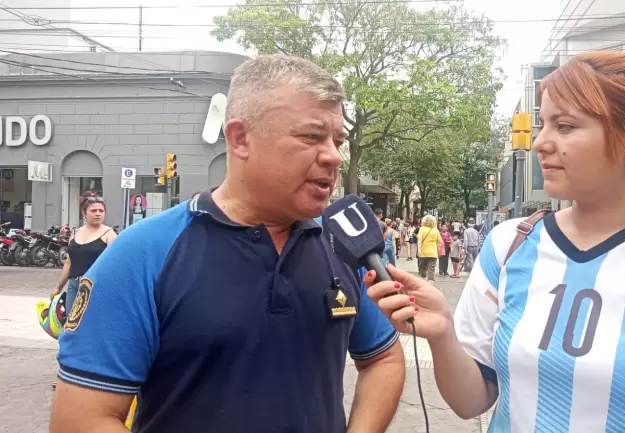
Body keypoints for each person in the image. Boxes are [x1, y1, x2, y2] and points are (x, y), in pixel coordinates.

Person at [365, 51, 625, 432]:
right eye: (543, 125)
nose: (541, 143)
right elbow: (472, 401)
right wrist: (443, 335)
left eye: (566, 126)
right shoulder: (509, 245)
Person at [51, 55, 405, 433]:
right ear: (240, 138)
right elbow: (80, 418)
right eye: (311, 136)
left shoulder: (345, 247)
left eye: (337, 140)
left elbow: (383, 359)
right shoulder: (142, 254)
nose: (333, 156)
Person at [49, 191, 117, 390]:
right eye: (93, 210)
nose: (98, 214)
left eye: (101, 211)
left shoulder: (109, 234)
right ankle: (67, 375)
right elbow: (69, 262)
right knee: (70, 331)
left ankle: (95, 374)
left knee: (94, 330)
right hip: (73, 286)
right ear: (84, 213)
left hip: (96, 289)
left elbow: (117, 263)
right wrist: (57, 287)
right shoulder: (76, 233)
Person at [417, 215, 441, 281]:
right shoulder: (436, 230)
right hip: (433, 254)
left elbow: (419, 240)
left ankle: (423, 283)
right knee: (431, 271)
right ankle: (430, 286)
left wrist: (419, 250)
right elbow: (440, 242)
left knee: (423, 269)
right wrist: (435, 245)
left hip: (423, 253)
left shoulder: (421, 229)